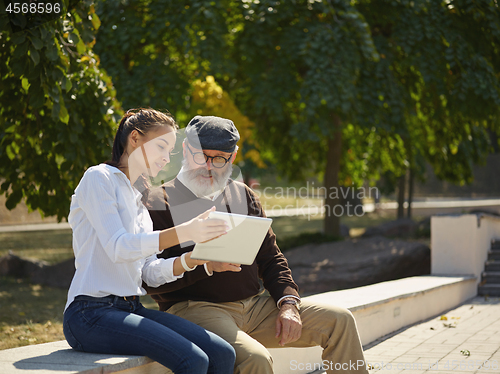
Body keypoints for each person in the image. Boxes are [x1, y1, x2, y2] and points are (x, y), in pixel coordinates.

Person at [144, 115, 369, 374]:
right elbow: (150, 280)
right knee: (256, 358)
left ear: (233, 157)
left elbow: (271, 258)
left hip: (255, 307)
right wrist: (204, 265)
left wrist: (288, 304)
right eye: (200, 156)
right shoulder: (158, 202)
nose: (208, 166)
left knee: (339, 320)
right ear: (185, 149)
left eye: (219, 159)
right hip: (195, 310)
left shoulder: (244, 196)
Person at [63, 109, 236, 374]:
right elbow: (119, 247)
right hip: (89, 313)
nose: (167, 159)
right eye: (162, 147)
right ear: (135, 138)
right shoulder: (99, 178)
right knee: (194, 360)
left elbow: (148, 273)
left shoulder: (139, 201)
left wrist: (194, 259)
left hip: (129, 307)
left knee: (223, 353)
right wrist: (186, 231)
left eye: (170, 151)